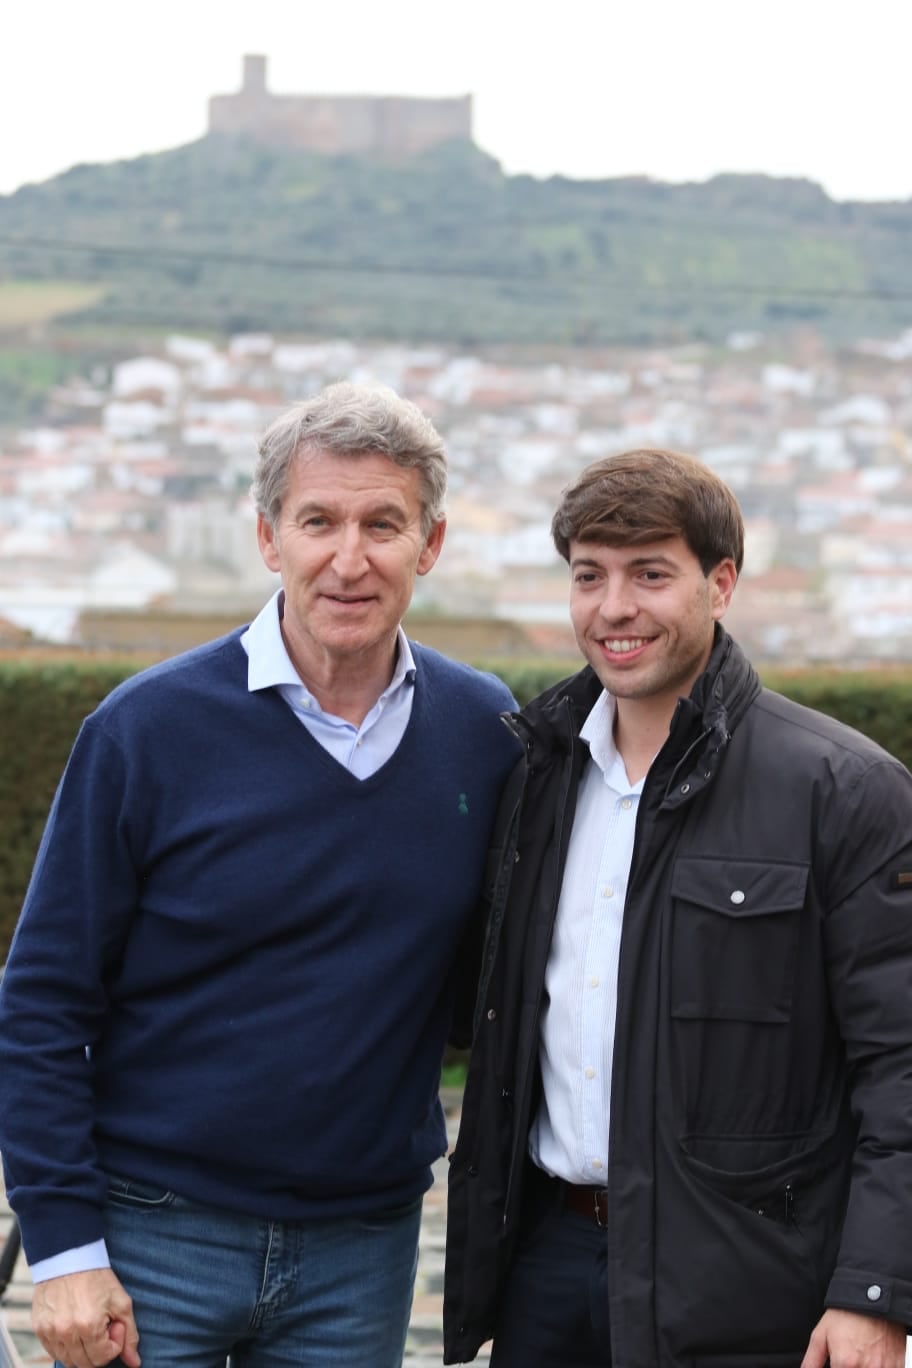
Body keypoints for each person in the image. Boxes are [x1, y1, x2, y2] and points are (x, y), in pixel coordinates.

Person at [0, 382, 520, 1368]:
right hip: (153, 1233)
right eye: (318, 521)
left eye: (383, 524)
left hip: (363, 1249)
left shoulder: (485, 733)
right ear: (268, 538)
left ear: (432, 544)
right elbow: (41, 1000)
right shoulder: (145, 730)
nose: (349, 559)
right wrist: (64, 1249)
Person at [443, 447, 912, 1368]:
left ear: (721, 584)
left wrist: (875, 1291)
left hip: (747, 1282)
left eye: (650, 575)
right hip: (549, 1267)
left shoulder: (845, 790)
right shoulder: (533, 777)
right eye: (590, 576)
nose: (614, 608)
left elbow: (901, 1065)